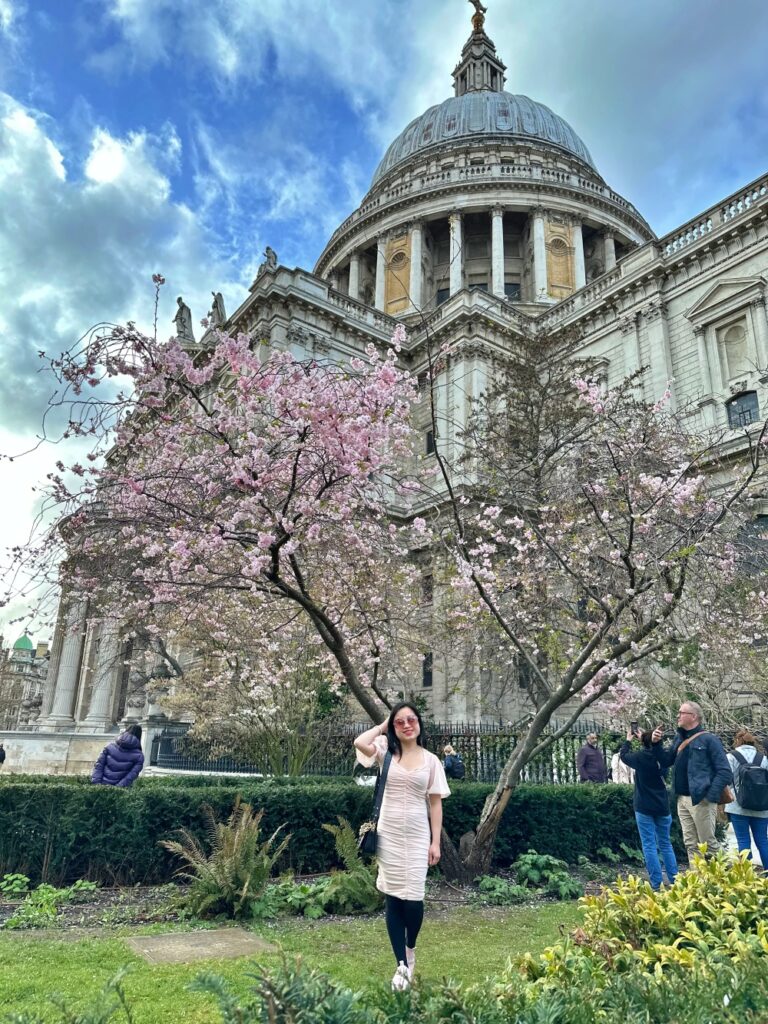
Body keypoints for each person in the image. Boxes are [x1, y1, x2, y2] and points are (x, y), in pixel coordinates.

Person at [354, 703, 450, 992]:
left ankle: (410, 947)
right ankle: (401, 966)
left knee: (414, 900)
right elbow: (360, 743)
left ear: (419, 723)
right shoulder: (385, 752)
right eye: (399, 722)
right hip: (389, 834)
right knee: (393, 898)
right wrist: (383, 725)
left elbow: (435, 804)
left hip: (418, 834)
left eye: (411, 720)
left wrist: (435, 842)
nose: (406, 725)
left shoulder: (432, 761)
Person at [652, 701, 732, 863]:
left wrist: (710, 796)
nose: (678, 716)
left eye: (682, 713)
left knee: (708, 844)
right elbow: (667, 761)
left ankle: (730, 878)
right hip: (682, 799)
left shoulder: (709, 740)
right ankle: (699, 884)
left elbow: (724, 771)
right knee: (691, 844)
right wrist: (656, 744)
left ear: (694, 716)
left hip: (701, 799)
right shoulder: (680, 738)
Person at [619, 727, 677, 889]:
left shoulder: (639, 757)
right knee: (665, 843)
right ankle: (675, 879)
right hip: (662, 805)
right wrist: (646, 739)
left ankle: (656, 883)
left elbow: (623, 756)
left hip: (643, 805)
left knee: (649, 845)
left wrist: (628, 741)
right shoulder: (662, 758)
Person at [722, 727, 768, 868]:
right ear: (753, 743)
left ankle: (746, 877)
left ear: (737, 741)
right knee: (762, 841)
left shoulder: (731, 757)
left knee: (743, 841)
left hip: (738, 806)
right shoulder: (763, 758)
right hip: (761, 806)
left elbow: (726, 780)